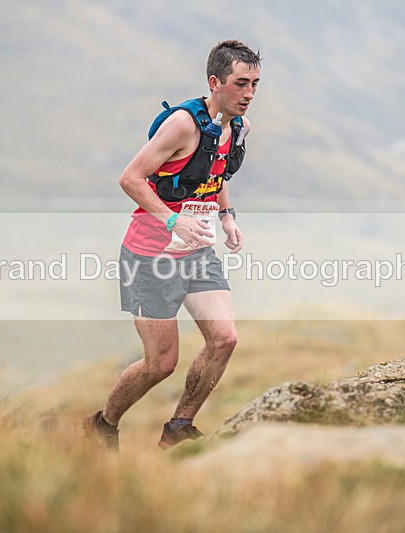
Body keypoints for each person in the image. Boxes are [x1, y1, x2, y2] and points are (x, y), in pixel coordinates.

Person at [84, 39, 261, 451]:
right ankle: (103, 425)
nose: (249, 94)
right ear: (215, 82)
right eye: (241, 83)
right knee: (160, 364)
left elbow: (214, 177)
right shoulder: (183, 125)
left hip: (197, 252)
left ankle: (178, 428)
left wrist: (227, 216)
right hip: (150, 256)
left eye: (255, 84)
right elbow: (130, 178)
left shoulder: (238, 127)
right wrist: (173, 220)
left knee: (225, 339)